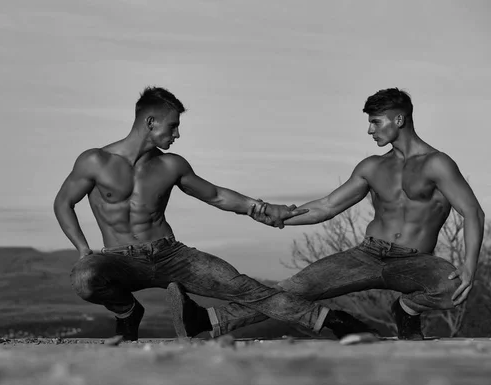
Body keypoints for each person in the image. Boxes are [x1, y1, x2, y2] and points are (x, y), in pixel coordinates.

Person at [53, 86, 375, 341]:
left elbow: (218, 195)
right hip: (119, 258)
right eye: (173, 126)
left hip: (170, 255)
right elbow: (63, 203)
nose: (177, 134)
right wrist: (83, 250)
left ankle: (332, 321)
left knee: (246, 288)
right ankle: (127, 313)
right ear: (150, 122)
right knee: (84, 277)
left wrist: (262, 209)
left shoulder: (171, 165)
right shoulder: (95, 161)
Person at [184, 88, 485, 340]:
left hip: (415, 260)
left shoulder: (437, 164)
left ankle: (406, 308)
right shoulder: (372, 167)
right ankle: (206, 320)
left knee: (453, 287)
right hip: (368, 254)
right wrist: (277, 218)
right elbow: (327, 207)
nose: (370, 130)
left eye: (376, 122)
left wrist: (469, 264)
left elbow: (472, 212)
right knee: (293, 289)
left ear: (399, 119)